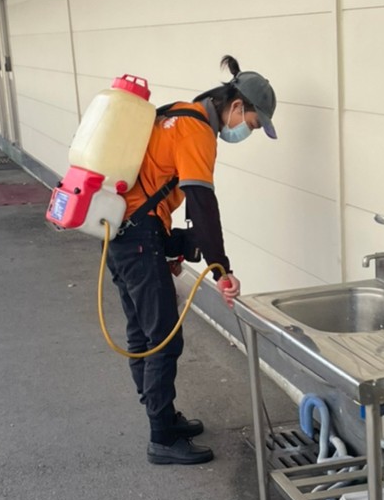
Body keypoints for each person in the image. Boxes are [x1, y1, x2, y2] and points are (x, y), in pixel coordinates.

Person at [106, 55, 277, 466]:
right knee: (164, 338)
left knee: (144, 333)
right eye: (252, 124)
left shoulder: (176, 113)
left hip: (121, 229)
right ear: (237, 106)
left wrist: (168, 246)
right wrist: (222, 269)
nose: (247, 131)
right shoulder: (197, 131)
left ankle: (161, 416)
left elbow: (155, 187)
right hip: (139, 237)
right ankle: (162, 437)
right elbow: (202, 204)